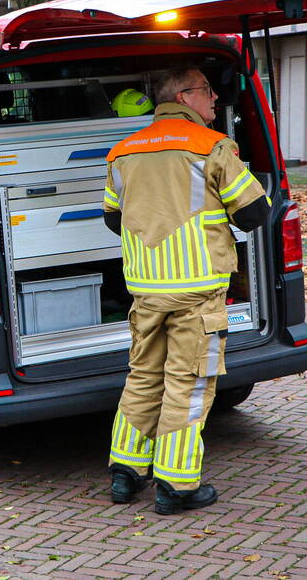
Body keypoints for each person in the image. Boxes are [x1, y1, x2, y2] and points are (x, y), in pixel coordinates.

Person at [102, 64, 271, 515]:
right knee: (189, 384)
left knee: (142, 377)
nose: (215, 98)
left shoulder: (123, 152)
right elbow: (254, 213)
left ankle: (126, 471)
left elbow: (112, 219)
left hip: (146, 291)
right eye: (208, 91)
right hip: (197, 292)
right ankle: (177, 486)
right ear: (184, 95)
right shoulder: (211, 146)